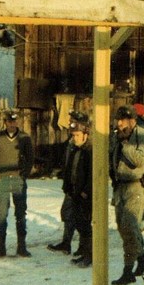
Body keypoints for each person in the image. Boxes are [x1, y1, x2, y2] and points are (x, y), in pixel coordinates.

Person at [109, 104, 144, 285]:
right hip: (120, 186)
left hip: (136, 185)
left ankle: (128, 269)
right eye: (118, 120)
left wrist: (126, 144)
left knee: (130, 224)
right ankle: (142, 259)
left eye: (123, 120)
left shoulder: (142, 134)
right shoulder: (116, 136)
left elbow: (140, 160)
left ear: (132, 121)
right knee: (123, 227)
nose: (119, 124)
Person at [0, 110, 34, 258]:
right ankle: (1, 247)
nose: (12, 124)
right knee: (1, 214)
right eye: (9, 121)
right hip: (1, 180)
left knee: (20, 213)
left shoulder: (24, 138)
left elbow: (30, 158)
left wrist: (24, 175)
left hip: (18, 180)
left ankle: (22, 247)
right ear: (5, 122)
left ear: (17, 122)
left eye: (14, 121)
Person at [47, 110, 87, 255]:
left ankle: (84, 247)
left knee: (82, 218)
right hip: (71, 184)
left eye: (73, 121)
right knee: (67, 213)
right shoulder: (70, 142)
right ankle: (66, 242)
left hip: (81, 186)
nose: (71, 123)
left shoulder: (86, 143)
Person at [62, 113, 94, 267]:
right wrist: (67, 187)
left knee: (86, 226)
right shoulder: (75, 149)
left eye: (78, 135)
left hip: (85, 195)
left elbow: (92, 176)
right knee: (80, 224)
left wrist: (85, 192)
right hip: (74, 192)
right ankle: (83, 251)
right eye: (73, 135)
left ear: (85, 134)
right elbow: (70, 170)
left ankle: (89, 255)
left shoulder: (90, 151)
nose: (75, 138)